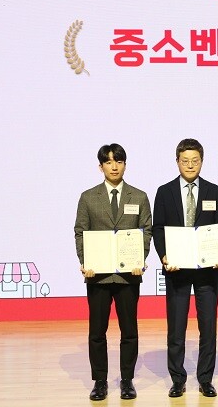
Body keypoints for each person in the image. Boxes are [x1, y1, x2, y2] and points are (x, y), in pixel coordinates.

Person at [152, 139, 218, 398]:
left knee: (208, 327)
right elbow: (158, 228)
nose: (190, 165)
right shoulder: (165, 191)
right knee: (176, 328)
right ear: (177, 162)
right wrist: (164, 255)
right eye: (185, 161)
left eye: (195, 161)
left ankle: (205, 379)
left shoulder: (213, 190)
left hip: (207, 270)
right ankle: (178, 379)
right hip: (177, 269)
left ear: (202, 162)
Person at [74, 144, 151, 401]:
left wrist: (140, 259)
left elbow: (146, 231)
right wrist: (85, 261)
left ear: (125, 164)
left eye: (118, 161)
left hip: (129, 276)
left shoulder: (139, 196)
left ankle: (127, 380)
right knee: (97, 332)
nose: (114, 166)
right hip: (98, 276)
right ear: (101, 167)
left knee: (129, 331)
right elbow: (80, 232)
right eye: (108, 162)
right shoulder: (88, 197)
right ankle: (100, 381)